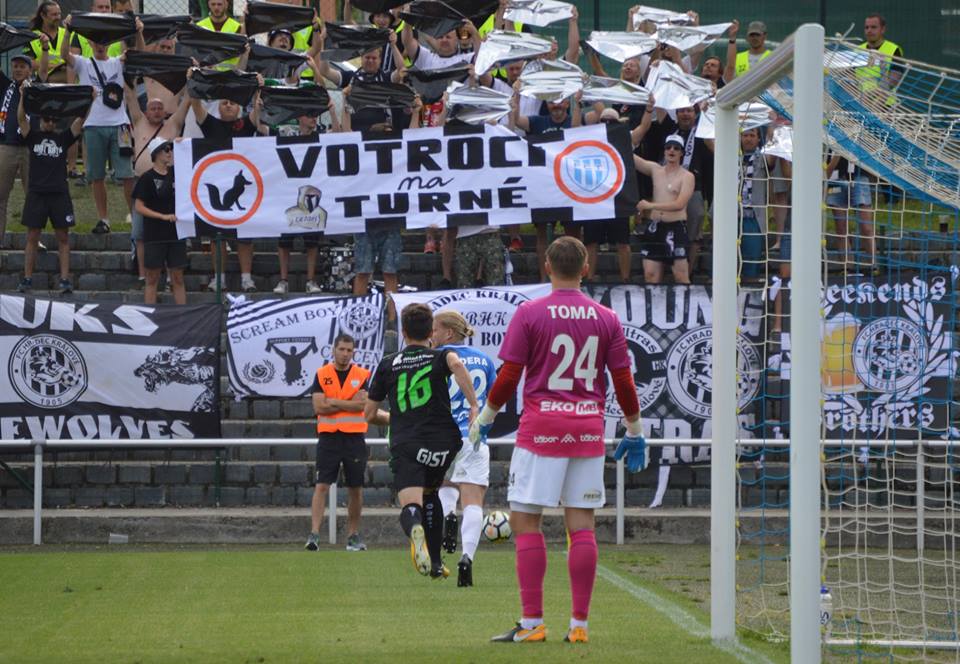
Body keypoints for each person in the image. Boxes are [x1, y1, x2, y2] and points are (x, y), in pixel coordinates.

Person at [468, 236, 647, 644]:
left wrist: (485, 417)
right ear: (585, 268)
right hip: (587, 430)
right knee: (582, 525)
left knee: (525, 521)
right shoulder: (606, 317)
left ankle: (532, 622)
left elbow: (510, 374)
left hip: (541, 430)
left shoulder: (530, 313)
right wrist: (635, 431)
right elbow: (623, 379)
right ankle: (579, 626)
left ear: (547, 266)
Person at [364, 303, 480, 579]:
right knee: (431, 494)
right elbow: (457, 364)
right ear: (430, 332)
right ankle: (436, 564)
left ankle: (415, 527)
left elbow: (369, 414)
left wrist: (396, 418)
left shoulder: (388, 364)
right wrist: (474, 405)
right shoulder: (441, 356)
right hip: (443, 442)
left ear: (403, 332)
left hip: (408, 441)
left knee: (412, 505)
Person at [61, 13, 144, 235]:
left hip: (120, 125)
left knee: (126, 174)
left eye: (104, 42)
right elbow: (64, 54)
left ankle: (135, 218)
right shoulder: (83, 63)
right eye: (96, 41)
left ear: (110, 44)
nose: (100, 45)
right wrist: (67, 30)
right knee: (96, 176)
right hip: (93, 125)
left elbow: (140, 55)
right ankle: (103, 219)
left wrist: (139, 32)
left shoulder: (118, 62)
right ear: (89, 43)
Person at [431, 311, 497, 587]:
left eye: (435, 330)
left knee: (444, 483)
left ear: (448, 333)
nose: (431, 335)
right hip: (473, 436)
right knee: (473, 500)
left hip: (441, 435)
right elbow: (495, 399)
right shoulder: (484, 360)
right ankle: (467, 557)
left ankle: (448, 514)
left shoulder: (435, 358)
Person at [15, 82, 91, 294]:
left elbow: (80, 120)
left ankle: (65, 280)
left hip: (59, 193)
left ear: (57, 122)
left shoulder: (63, 138)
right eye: (46, 119)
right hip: (37, 193)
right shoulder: (33, 136)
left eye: (53, 120)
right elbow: (21, 119)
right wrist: (22, 96)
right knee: (32, 237)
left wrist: (90, 100)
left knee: (63, 237)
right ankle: (27, 279)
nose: (49, 123)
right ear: (41, 120)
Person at [190, 80, 263, 292]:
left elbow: (258, 107)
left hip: (244, 192)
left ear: (239, 107)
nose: (228, 105)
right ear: (218, 107)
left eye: (232, 102)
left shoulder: (247, 124)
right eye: (224, 103)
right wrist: (193, 82)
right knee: (216, 236)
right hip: (219, 186)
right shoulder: (210, 123)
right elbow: (195, 105)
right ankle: (218, 278)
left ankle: (246, 278)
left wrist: (258, 87)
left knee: (245, 236)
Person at [306, 334, 372, 553]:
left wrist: (333, 401)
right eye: (341, 349)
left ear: (353, 352)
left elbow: (362, 405)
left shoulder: (361, 375)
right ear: (333, 350)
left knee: (355, 488)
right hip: (329, 438)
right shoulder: (322, 374)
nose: (345, 354)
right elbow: (319, 407)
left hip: (354, 438)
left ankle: (353, 536)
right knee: (322, 485)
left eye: (349, 350)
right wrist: (348, 403)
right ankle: (314, 535)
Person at [127, 84, 189, 289]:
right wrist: (127, 75)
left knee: (171, 231)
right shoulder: (138, 122)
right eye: (152, 108)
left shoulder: (173, 124)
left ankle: (171, 275)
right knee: (139, 234)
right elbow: (130, 97)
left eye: (159, 108)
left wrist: (191, 79)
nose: (156, 111)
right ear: (146, 112)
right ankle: (143, 275)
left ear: (165, 111)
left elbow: (187, 101)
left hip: (169, 183)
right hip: (142, 183)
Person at [634, 134, 695, 284]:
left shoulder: (687, 176)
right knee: (650, 275)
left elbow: (679, 204)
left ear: (682, 153)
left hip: (675, 227)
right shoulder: (656, 170)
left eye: (676, 148)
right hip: (655, 227)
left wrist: (651, 206)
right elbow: (629, 158)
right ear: (664, 151)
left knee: (680, 276)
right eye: (668, 147)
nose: (671, 150)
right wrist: (623, 136)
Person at [132, 137, 186, 304]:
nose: (170, 153)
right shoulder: (147, 178)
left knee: (178, 278)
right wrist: (162, 216)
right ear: (156, 154)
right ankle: (150, 314)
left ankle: (181, 314)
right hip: (155, 234)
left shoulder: (178, 174)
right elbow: (139, 206)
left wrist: (183, 143)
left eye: (171, 149)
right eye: (166, 149)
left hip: (176, 233)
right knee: (152, 278)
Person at [0, 54, 37, 249]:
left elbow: (44, 70)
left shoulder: (36, 89)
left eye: (22, 66)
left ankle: (34, 240)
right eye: (15, 66)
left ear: (30, 70)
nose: (18, 70)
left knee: (33, 196)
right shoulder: (5, 86)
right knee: (0, 196)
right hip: (6, 145)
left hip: (29, 147)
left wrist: (45, 49)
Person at [857, 14, 903, 103]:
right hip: (860, 104)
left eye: (873, 27)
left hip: (885, 106)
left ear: (883, 29)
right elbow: (849, 76)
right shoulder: (857, 50)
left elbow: (893, 81)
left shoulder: (894, 50)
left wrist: (873, 96)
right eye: (866, 27)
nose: (869, 30)